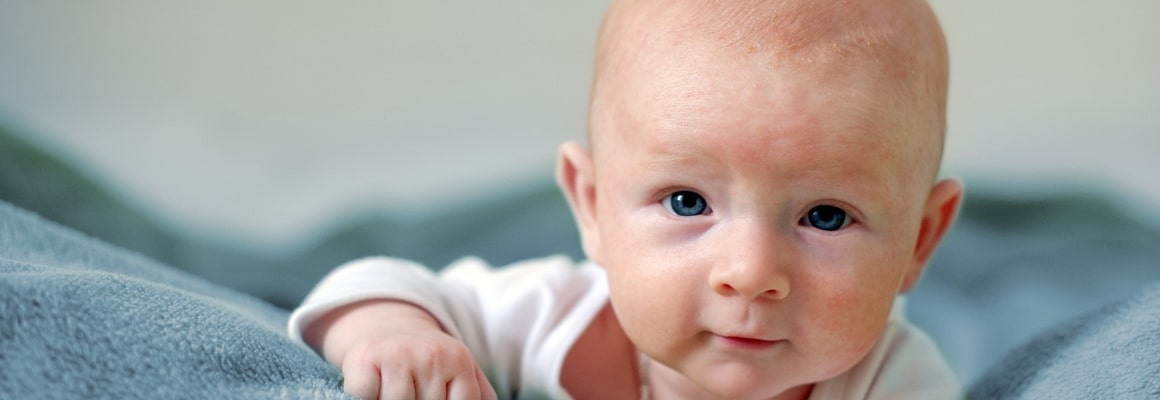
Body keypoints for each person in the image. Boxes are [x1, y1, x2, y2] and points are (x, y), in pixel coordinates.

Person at [288, 0, 964, 398]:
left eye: (825, 216)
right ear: (591, 205)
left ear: (920, 241)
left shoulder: (895, 380)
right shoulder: (555, 317)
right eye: (686, 202)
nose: (751, 272)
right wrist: (395, 335)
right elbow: (371, 284)